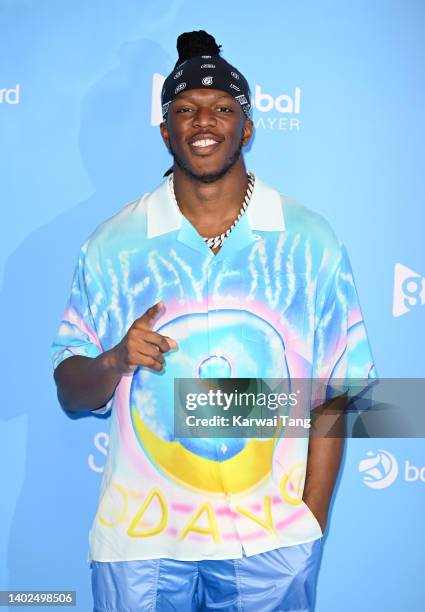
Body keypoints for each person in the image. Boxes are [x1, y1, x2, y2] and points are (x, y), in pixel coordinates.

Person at [52, 30, 376, 612]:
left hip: (270, 547)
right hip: (142, 546)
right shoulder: (112, 245)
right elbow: (70, 389)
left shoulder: (308, 242)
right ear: (165, 130)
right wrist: (115, 359)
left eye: (222, 108)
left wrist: (310, 523)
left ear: (246, 128)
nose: (204, 121)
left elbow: (334, 393)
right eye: (185, 109)